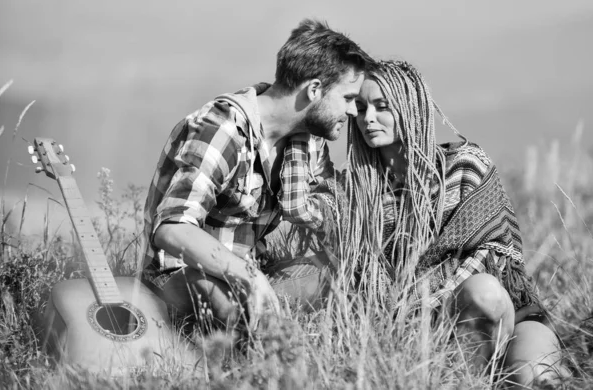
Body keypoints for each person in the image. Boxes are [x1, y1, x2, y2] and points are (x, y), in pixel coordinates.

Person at [320, 60, 568, 388]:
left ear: (410, 109)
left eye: (382, 107)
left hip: (504, 316)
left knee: (535, 378)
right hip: (413, 334)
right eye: (361, 108)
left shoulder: (465, 168)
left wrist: (422, 303)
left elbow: (491, 257)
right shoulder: (356, 192)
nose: (367, 118)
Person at [140, 19, 371, 333]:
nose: (353, 112)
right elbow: (172, 230)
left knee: (346, 275)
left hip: (251, 272)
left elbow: (329, 201)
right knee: (235, 307)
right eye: (347, 99)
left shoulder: (308, 140)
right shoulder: (223, 129)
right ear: (314, 89)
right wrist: (249, 279)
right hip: (180, 274)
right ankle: (268, 364)